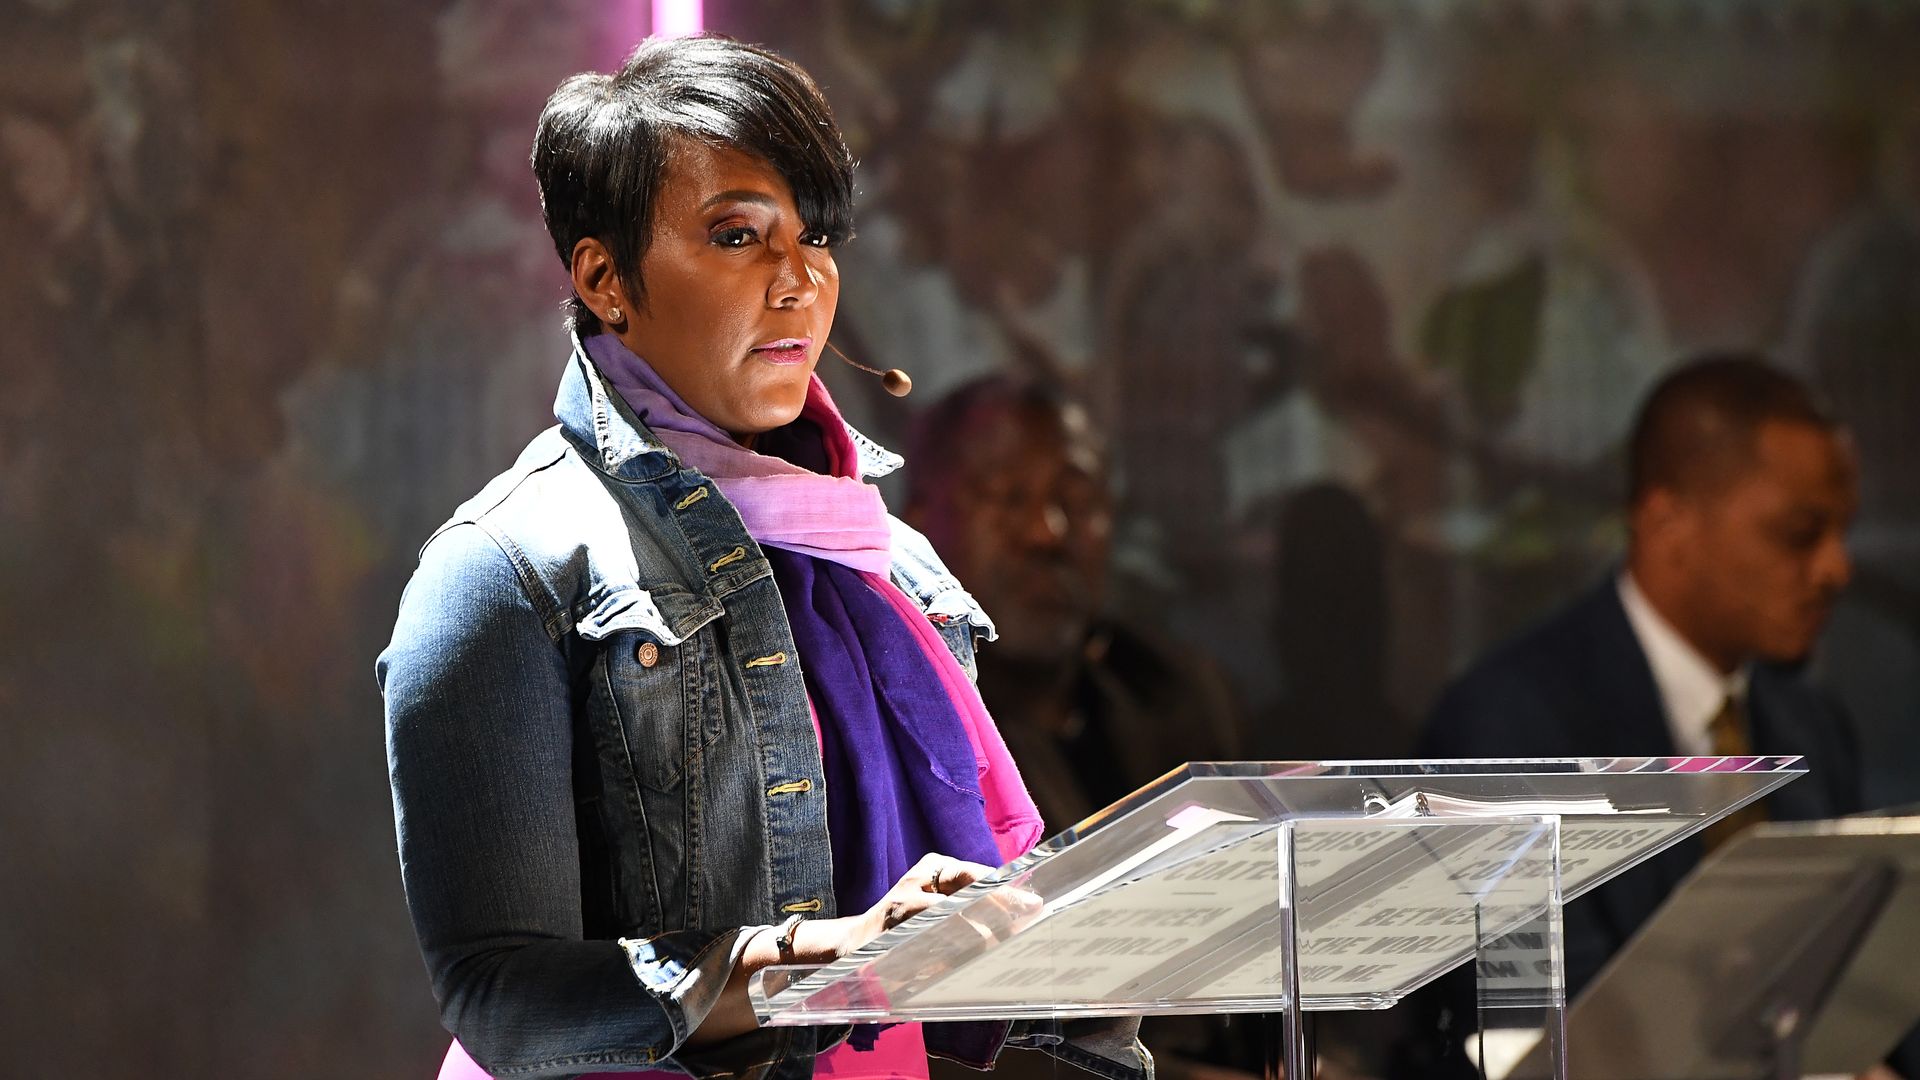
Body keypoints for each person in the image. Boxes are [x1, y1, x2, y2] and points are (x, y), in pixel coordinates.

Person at [378, 37, 1145, 1080]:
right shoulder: (502, 570)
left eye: (816, 235)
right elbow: (503, 995)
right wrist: (828, 962)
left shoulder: (889, 560)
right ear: (605, 277)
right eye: (738, 236)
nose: (798, 281)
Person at [1411, 354, 1865, 1069]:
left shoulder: (1814, 727)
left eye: (1842, 533)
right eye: (1800, 533)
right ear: (1667, 523)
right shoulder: (1505, 729)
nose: (1837, 568)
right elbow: (1535, 1036)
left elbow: (1865, 993)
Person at [902, 376, 1243, 834]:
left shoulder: (1179, 696)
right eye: (1008, 496)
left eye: (1078, 499)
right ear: (918, 521)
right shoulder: (894, 727)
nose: (1046, 532)